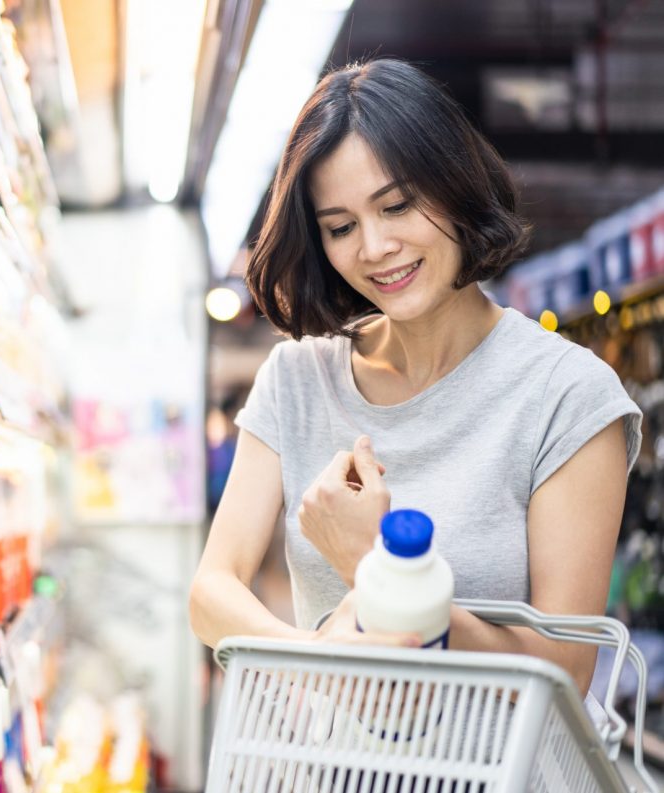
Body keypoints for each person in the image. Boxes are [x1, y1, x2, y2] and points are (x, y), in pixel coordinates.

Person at [188, 58, 642, 697]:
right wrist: (317, 653)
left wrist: (377, 571)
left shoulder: (566, 396)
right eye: (341, 227)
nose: (374, 247)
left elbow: (563, 668)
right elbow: (212, 591)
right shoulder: (297, 379)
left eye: (397, 205)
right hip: (316, 767)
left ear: (453, 186)